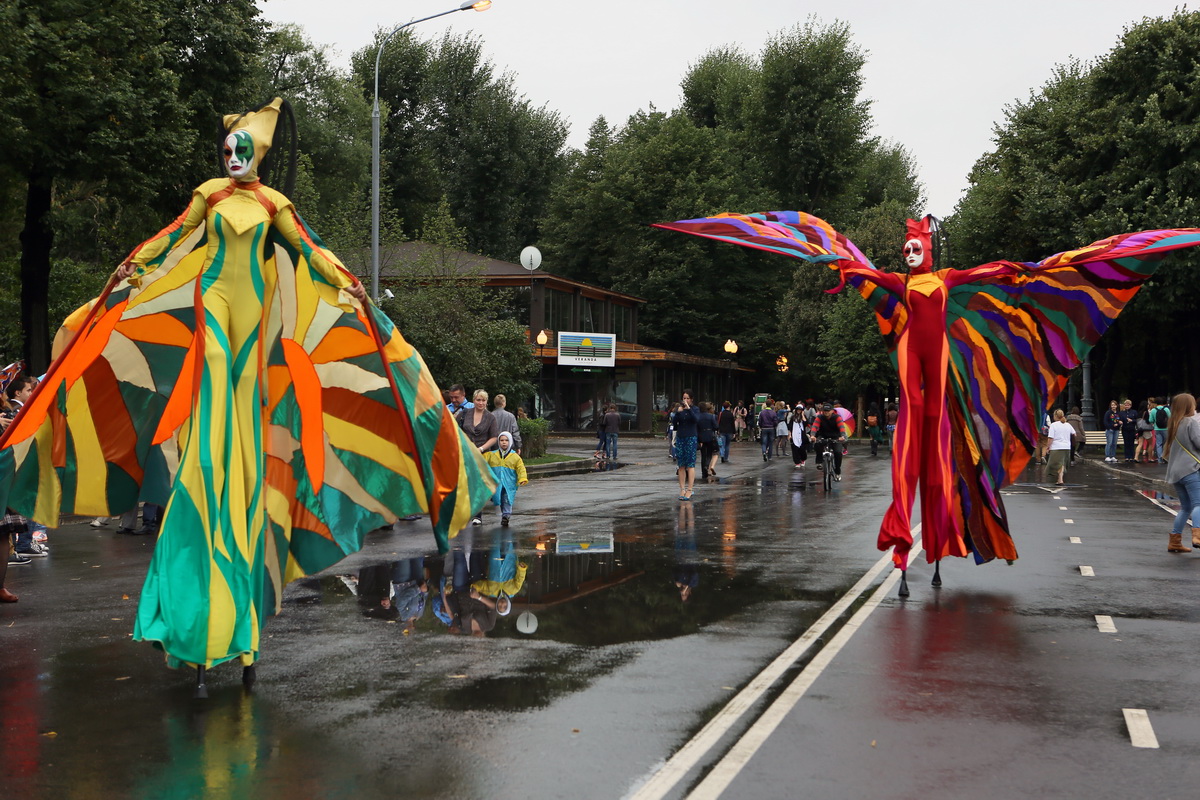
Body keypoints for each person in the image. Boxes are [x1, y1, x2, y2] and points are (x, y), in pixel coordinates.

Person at [0, 98, 495, 684]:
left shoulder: (272, 203)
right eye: (227, 149)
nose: (232, 157)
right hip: (212, 297)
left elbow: (310, 253)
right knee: (209, 357)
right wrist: (135, 268)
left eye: (243, 149)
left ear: (258, 155)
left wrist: (350, 284)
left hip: (255, 314)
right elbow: (172, 240)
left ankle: (235, 448)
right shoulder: (208, 196)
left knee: (241, 378)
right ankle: (209, 445)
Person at [1163, 393, 1200, 554]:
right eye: (1192, 404)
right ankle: (1198, 536)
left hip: (1175, 472)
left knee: (1186, 507)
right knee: (1198, 504)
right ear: (1188, 406)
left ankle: (1175, 541)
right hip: (1190, 469)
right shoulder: (1191, 422)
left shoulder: (1174, 423)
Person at [481, 431, 528, 527]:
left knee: (507, 499)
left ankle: (506, 515)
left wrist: (522, 478)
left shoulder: (515, 457)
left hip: (509, 484)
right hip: (496, 483)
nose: (504, 442)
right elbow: (481, 461)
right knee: (497, 498)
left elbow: (521, 468)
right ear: (498, 442)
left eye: (506, 440)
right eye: (501, 440)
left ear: (510, 442)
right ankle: (502, 512)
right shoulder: (491, 455)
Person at [809, 404, 848, 480]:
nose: (826, 412)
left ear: (832, 411)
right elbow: (814, 426)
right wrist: (812, 436)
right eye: (825, 411)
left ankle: (837, 472)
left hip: (836, 437)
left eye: (828, 411)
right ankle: (819, 461)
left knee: (838, 452)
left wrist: (842, 436)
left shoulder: (837, 417)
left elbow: (841, 428)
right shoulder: (820, 417)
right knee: (817, 444)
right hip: (823, 436)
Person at [672, 390, 699, 500]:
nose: (685, 400)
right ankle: (682, 489)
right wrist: (678, 413)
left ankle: (690, 489)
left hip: (691, 437)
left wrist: (689, 409)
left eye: (687, 398)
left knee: (690, 464)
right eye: (684, 398)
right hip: (680, 437)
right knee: (681, 464)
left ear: (691, 399)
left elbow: (696, 420)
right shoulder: (680, 409)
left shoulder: (695, 409)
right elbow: (674, 423)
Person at [1046, 409, 1075, 485]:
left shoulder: (1053, 425)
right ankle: (1060, 479)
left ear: (1055, 416)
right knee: (1061, 464)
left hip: (1056, 447)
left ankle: (1060, 479)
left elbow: (1051, 438)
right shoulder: (1068, 425)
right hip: (1066, 447)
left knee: (1054, 464)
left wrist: (1048, 447)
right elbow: (1074, 434)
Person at [696, 402, 719, 479]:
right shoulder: (711, 416)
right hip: (710, 435)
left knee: (703, 455)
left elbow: (696, 428)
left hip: (701, 436)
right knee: (709, 453)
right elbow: (716, 426)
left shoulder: (697, 417)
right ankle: (707, 465)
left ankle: (703, 472)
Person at [789, 402, 809, 468]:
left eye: (800, 410)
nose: (799, 411)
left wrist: (803, 415)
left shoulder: (804, 417)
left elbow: (806, 423)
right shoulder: (793, 417)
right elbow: (790, 426)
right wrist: (790, 435)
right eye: (798, 409)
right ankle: (797, 462)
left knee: (802, 449)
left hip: (802, 435)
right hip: (794, 434)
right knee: (795, 449)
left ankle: (803, 459)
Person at [1153, 396, 1171, 462]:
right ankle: (1165, 456)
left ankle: (1160, 458)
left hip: (1157, 428)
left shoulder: (1153, 410)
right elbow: (1170, 417)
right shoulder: (1166, 409)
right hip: (1166, 428)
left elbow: (1150, 420)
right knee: (1166, 443)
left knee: (1158, 444)